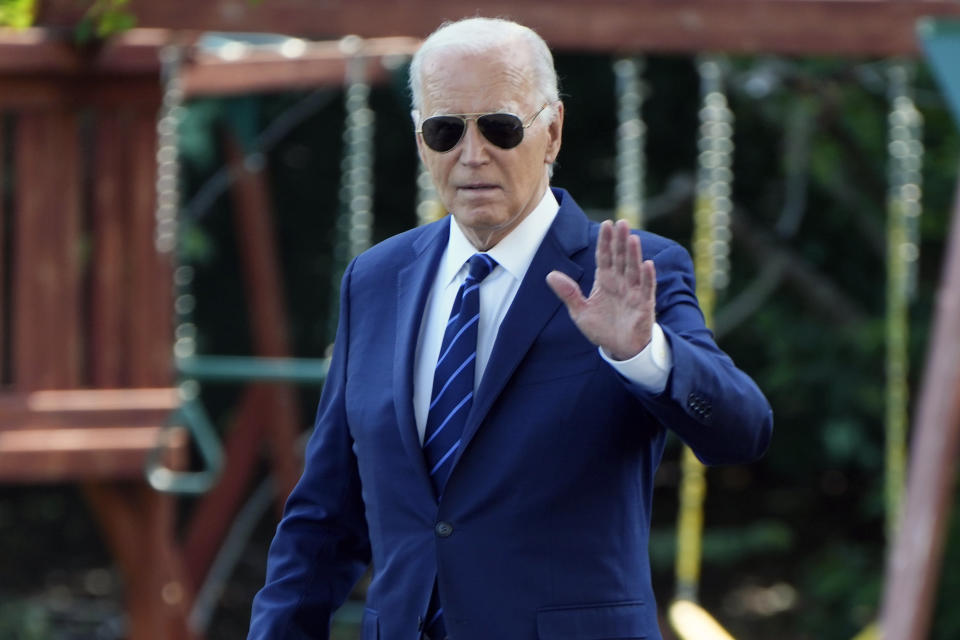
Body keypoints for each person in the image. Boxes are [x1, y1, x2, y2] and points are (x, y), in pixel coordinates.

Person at [248, 16, 772, 640]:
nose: (472, 155)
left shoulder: (633, 272)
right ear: (421, 143)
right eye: (446, 131)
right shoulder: (375, 280)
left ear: (551, 132)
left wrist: (642, 353)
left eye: (499, 127)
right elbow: (326, 514)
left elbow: (742, 430)